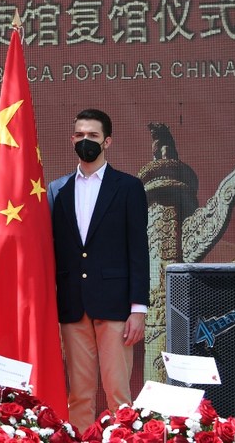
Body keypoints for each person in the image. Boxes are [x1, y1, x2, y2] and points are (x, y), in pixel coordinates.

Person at [48, 109, 150, 432]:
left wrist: (138, 309)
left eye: (92, 135)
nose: (85, 141)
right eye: (79, 135)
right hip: (73, 306)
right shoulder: (57, 189)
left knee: (118, 394)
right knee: (79, 395)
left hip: (115, 306)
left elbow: (139, 251)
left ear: (107, 141)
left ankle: (121, 438)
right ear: (71, 140)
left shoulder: (128, 187)